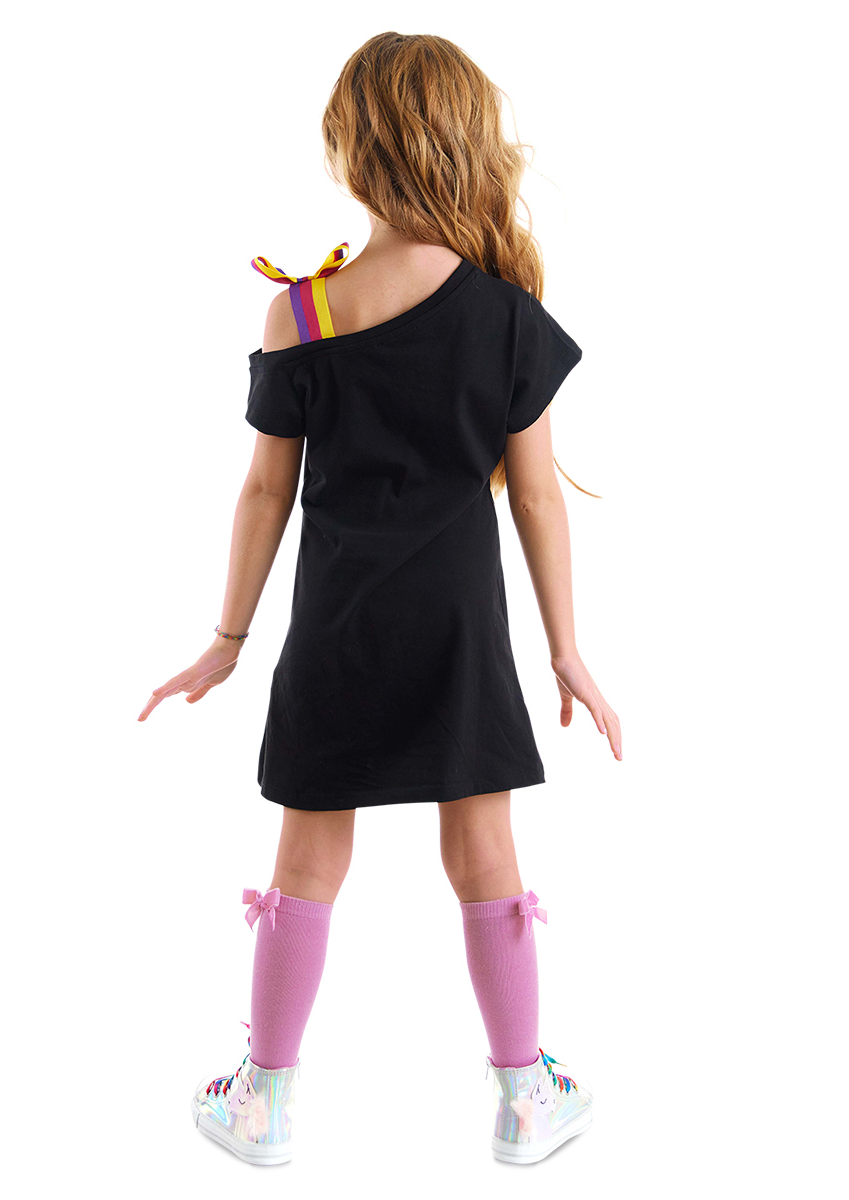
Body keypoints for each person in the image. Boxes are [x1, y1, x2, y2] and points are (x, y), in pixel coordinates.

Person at [138, 30, 621, 1168]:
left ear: (353, 150)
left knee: (306, 863)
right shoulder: (503, 312)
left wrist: (227, 638)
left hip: (337, 632)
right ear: (464, 145)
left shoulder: (303, 315)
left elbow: (266, 491)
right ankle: (525, 1101)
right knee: (487, 857)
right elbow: (537, 499)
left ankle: (262, 1106)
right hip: (459, 635)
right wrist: (567, 649)